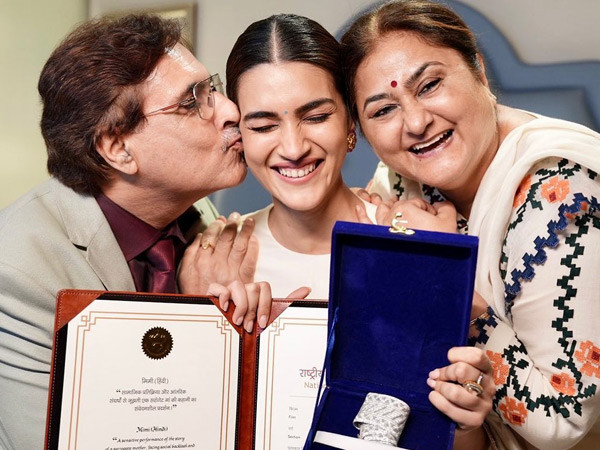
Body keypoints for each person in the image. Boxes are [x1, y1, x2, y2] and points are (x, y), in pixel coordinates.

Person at [0, 14, 278, 450]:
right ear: (118, 149)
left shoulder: (194, 211)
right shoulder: (16, 271)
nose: (230, 111)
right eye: (193, 101)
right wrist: (197, 319)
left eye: (213, 88)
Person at [219, 13, 493, 449]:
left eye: (316, 116)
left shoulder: (413, 240)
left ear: (351, 123)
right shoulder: (215, 260)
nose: (292, 148)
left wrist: (465, 420)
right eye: (264, 125)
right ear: (240, 136)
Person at [341, 1, 600, 448]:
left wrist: (446, 276)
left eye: (431, 85)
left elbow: (563, 421)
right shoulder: (398, 185)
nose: (417, 122)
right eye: (383, 110)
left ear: (478, 70)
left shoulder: (562, 191)